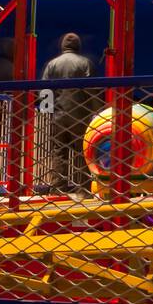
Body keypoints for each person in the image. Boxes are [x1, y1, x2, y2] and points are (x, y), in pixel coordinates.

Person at [42, 33, 94, 195]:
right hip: (81, 116)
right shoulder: (85, 63)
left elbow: (45, 90)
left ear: (63, 45)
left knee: (59, 152)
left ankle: (58, 188)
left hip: (58, 116)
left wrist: (48, 110)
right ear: (78, 46)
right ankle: (84, 189)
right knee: (82, 153)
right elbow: (93, 90)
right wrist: (95, 111)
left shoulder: (52, 64)